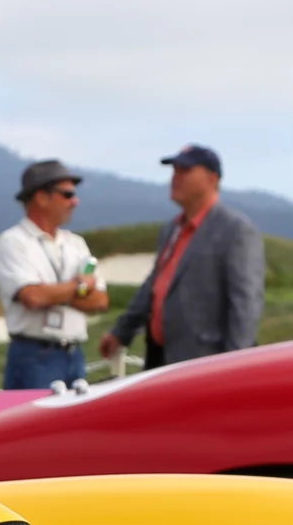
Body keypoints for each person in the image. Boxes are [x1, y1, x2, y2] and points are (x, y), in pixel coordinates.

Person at [104, 143, 265, 371]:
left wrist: (235, 366)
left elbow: (245, 304)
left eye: (185, 171)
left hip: (206, 364)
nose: (175, 178)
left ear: (212, 179)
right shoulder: (172, 229)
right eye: (175, 171)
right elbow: (155, 286)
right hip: (162, 359)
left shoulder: (235, 230)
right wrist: (122, 332)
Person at [0, 159, 110, 389]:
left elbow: (100, 300)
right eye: (67, 194)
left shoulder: (76, 243)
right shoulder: (14, 242)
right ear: (41, 197)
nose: (75, 201)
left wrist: (52, 293)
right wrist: (80, 286)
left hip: (74, 354)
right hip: (34, 354)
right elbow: (33, 297)